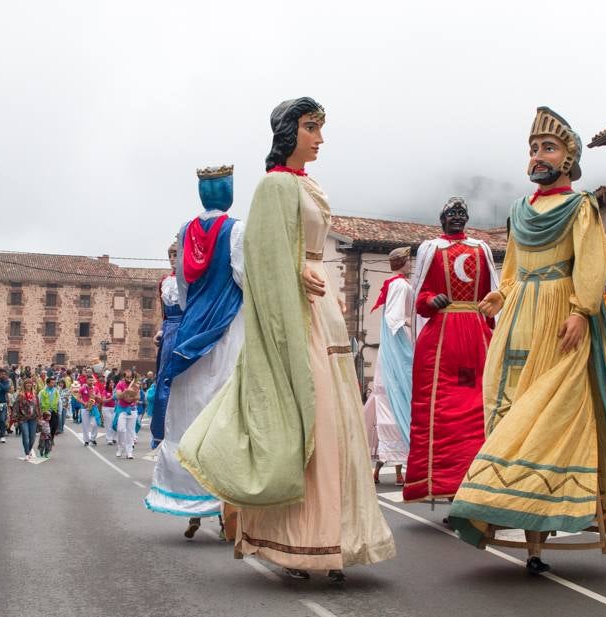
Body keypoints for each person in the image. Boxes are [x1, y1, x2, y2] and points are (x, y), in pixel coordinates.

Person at [178, 98, 395, 583]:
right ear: (287, 132)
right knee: (310, 421)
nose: (319, 137)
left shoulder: (306, 183)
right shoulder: (276, 185)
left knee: (336, 424)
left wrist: (321, 281)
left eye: (320, 128)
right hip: (297, 313)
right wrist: (296, 269)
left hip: (322, 312)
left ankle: (336, 536)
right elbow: (262, 251)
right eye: (310, 127)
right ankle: (296, 541)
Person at [446, 107, 606, 575]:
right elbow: (514, 268)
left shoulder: (581, 208)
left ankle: (541, 526)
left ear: (568, 157)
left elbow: (593, 264)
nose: (538, 156)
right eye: (534, 149)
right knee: (511, 404)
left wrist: (582, 310)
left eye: (548, 148)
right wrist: (500, 293)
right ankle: (520, 522)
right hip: (520, 315)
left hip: (561, 315)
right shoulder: (520, 210)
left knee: (553, 410)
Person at [145, 163, 245, 540]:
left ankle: (188, 498)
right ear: (229, 192)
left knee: (189, 413)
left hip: (190, 331)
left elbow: (184, 285)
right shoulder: (237, 230)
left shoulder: (187, 231)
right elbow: (245, 278)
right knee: (224, 412)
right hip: (226, 328)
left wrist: (194, 313)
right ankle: (225, 503)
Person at [404, 198, 499, 503]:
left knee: (479, 407)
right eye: (451, 214)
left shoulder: (481, 249)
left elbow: (491, 292)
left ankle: (480, 482)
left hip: (475, 337)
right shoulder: (430, 250)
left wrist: (493, 320)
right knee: (440, 412)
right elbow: (420, 298)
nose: (457, 218)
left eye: (462, 213)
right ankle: (441, 481)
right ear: (441, 219)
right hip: (442, 341)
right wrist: (432, 300)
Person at [363, 246, 415, 486]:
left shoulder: (395, 283)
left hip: (391, 347)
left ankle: (384, 471)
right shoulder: (401, 285)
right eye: (409, 260)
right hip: (398, 343)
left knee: (388, 404)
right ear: (402, 262)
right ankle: (397, 472)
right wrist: (406, 343)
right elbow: (395, 318)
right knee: (398, 402)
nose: (411, 264)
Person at [150, 243, 182, 449]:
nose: (172, 258)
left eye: (176, 254)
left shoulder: (193, 279)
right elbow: (164, 314)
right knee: (164, 380)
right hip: (169, 330)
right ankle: (161, 431)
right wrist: (160, 331)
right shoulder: (164, 281)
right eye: (170, 254)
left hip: (187, 327)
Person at [12, 378, 40, 460]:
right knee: (25, 435)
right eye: (27, 383)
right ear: (24, 385)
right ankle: (27, 453)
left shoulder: (35, 394)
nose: (29, 385)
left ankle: (29, 449)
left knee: (32, 437)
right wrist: (15, 420)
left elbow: (38, 406)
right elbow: (15, 407)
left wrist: (39, 417)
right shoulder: (20, 395)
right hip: (23, 418)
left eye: (30, 383)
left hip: (33, 418)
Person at [115, 381, 140, 459]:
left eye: (130, 377)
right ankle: (120, 447)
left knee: (130, 431)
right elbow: (118, 397)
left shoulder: (135, 385)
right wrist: (126, 392)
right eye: (127, 377)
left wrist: (130, 398)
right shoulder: (120, 384)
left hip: (132, 411)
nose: (129, 379)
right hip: (122, 410)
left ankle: (129, 452)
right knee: (120, 429)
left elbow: (137, 397)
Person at [39, 375, 60, 445]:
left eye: (54, 383)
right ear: (47, 384)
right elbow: (39, 401)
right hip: (45, 412)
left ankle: (52, 438)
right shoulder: (42, 392)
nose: (53, 384)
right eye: (51, 383)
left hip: (54, 411)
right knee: (46, 427)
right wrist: (39, 411)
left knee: (54, 426)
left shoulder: (56, 391)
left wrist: (59, 411)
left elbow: (59, 401)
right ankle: (46, 440)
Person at [102, 377, 118, 446]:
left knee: (114, 423)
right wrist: (112, 397)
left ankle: (114, 437)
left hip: (114, 408)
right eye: (110, 383)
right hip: (106, 408)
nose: (112, 384)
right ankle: (109, 439)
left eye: (113, 383)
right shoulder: (105, 391)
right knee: (109, 424)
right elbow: (104, 400)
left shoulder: (115, 391)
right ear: (108, 384)